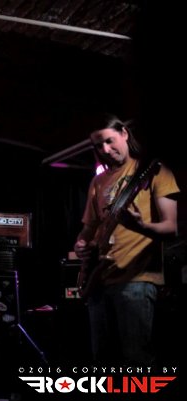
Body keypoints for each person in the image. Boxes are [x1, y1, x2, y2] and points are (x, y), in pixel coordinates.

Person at [73, 113, 180, 366]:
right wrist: (80, 245)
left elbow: (171, 228)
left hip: (136, 280)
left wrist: (141, 226)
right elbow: (88, 230)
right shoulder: (98, 181)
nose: (105, 150)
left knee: (136, 360)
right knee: (102, 361)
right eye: (98, 145)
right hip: (98, 279)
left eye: (109, 141)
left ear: (124, 133)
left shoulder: (154, 171)